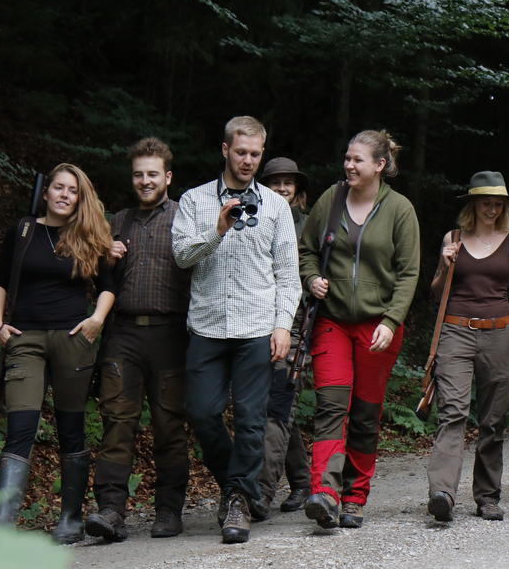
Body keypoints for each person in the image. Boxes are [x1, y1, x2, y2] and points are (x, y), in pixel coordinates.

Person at [171, 116, 301, 544]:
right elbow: (182, 256)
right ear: (225, 149)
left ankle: (238, 501)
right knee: (203, 414)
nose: (248, 161)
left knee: (250, 421)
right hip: (207, 326)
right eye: (241, 152)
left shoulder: (277, 206)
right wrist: (218, 228)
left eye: (255, 154)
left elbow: (288, 274)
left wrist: (283, 326)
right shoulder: (193, 200)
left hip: (256, 327)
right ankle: (235, 481)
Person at [0, 162, 117, 544]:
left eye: (72, 190)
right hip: (24, 339)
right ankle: (3, 523)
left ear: (80, 197)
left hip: (73, 339)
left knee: (70, 428)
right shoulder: (23, 231)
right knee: (20, 428)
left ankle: (71, 519)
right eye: (58, 187)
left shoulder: (90, 235)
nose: (64, 195)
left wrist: (96, 320)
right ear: (46, 192)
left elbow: (108, 286)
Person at [300, 130, 420, 530]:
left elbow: (408, 274)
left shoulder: (400, 210)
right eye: (347, 158)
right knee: (332, 405)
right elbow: (307, 249)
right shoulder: (329, 201)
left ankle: (354, 496)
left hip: (378, 326)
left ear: (380, 165)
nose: (349, 165)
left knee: (366, 414)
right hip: (332, 320)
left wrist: (391, 320)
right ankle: (325, 493)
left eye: (358, 160)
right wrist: (312, 276)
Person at [425, 171, 509, 522]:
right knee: (452, 412)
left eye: (498, 204)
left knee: (494, 419)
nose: (492, 209)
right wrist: (443, 264)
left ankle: (487, 497)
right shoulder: (453, 238)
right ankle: (443, 493)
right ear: (473, 205)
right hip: (455, 331)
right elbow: (436, 292)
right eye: (486, 203)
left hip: (500, 334)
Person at [86, 138, 192, 543]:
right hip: (123, 334)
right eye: (138, 174)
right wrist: (105, 260)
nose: (144, 181)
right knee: (117, 423)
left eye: (152, 174)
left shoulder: (185, 217)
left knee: (169, 425)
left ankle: (168, 510)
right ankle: (111, 510)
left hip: (170, 334)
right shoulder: (119, 221)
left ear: (167, 176)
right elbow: (98, 280)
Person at [256, 157, 312, 515]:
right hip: (253, 323)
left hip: (295, 325)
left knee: (277, 403)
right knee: (273, 404)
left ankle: (261, 491)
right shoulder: (253, 219)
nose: (282, 188)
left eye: (288, 182)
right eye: (275, 182)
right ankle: (304, 482)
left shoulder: (309, 226)